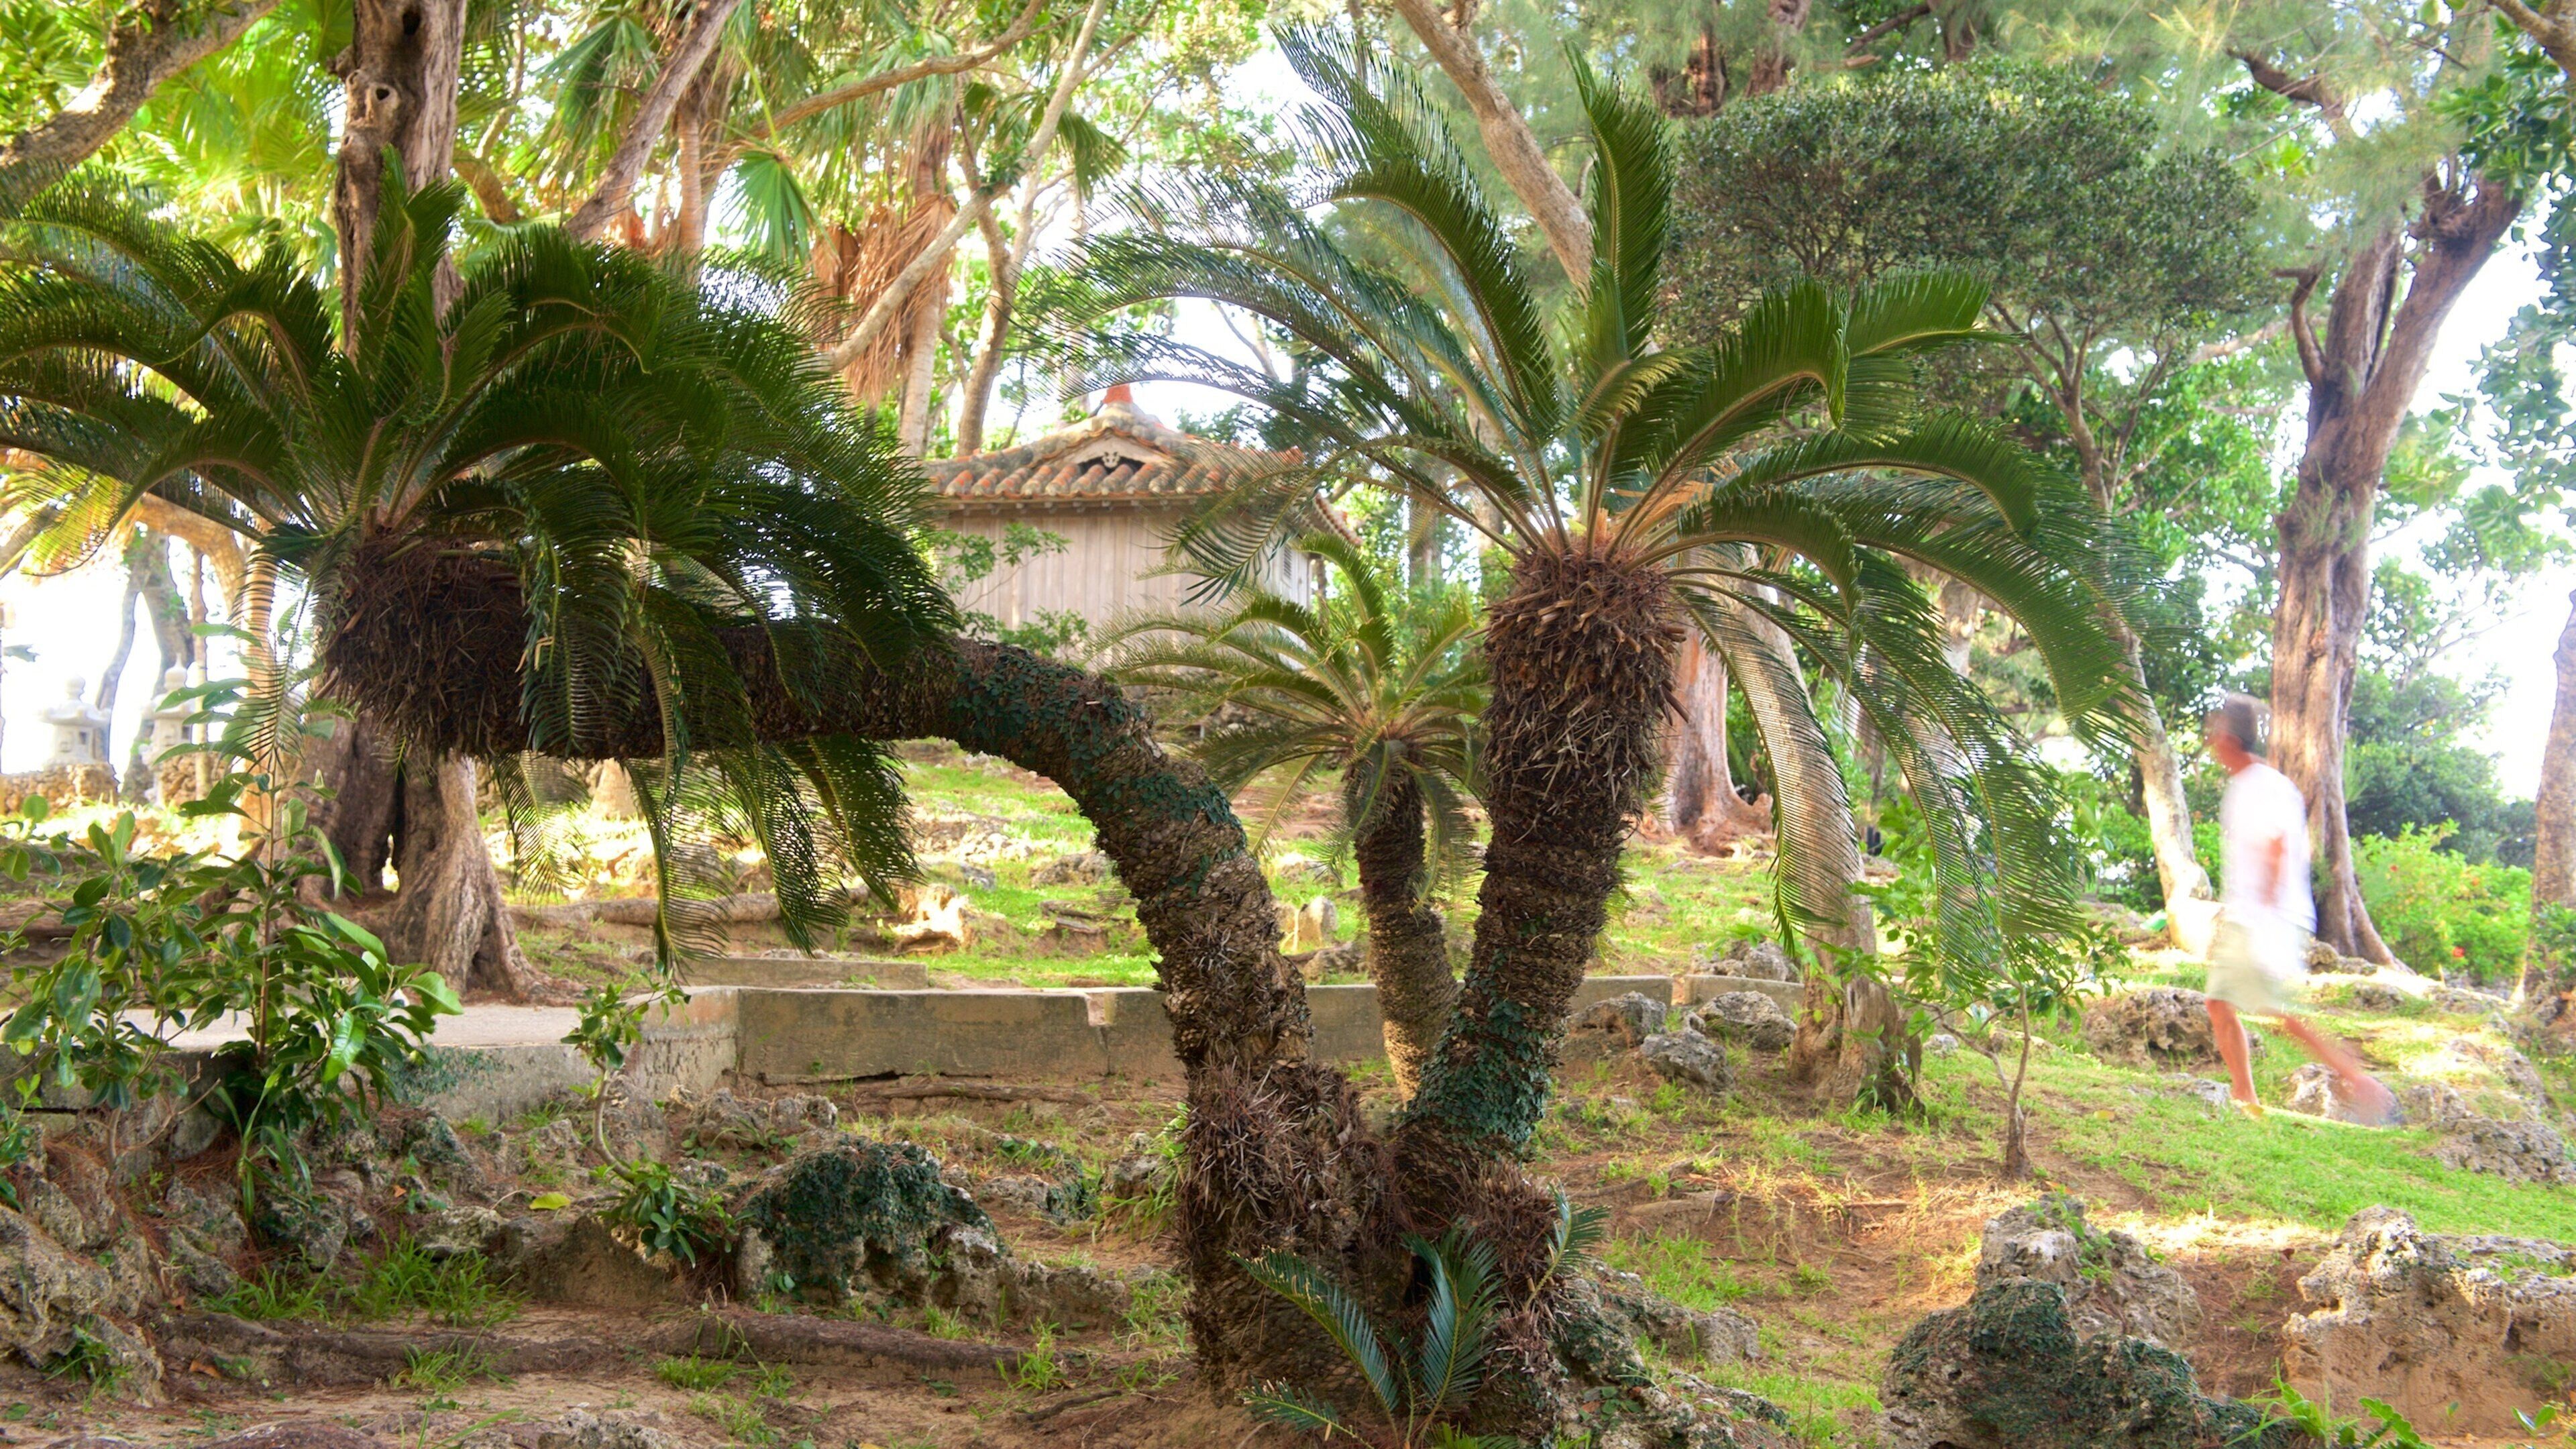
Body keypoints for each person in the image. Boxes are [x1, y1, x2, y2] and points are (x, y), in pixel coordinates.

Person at [2202, 694, 2394, 1122]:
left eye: (2215, 734)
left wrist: (2263, 915)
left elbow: (2276, 846)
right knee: (2225, 1003)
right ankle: (2245, 1095)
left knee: (2278, 1012)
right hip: (2256, 916)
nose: (2211, 742)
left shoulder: (2261, 785)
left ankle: (2360, 1083)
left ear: (2230, 738)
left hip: (2264, 919)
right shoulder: (2250, 784)